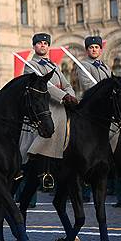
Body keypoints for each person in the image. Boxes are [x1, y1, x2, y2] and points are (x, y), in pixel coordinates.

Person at [21, 33, 78, 191]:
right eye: (39, 43)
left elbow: (66, 84)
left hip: (61, 105)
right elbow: (43, 85)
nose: (43, 46)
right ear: (34, 46)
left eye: (45, 43)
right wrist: (64, 96)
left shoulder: (54, 65)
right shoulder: (30, 65)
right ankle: (43, 174)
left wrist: (71, 96)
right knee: (45, 136)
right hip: (44, 108)